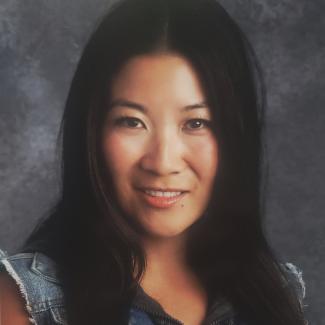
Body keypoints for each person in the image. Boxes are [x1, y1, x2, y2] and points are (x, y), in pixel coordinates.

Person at [0, 0, 308, 324]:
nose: (162, 162)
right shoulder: (27, 304)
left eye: (196, 123)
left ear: (236, 136)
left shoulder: (274, 295)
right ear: (91, 130)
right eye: (132, 122)